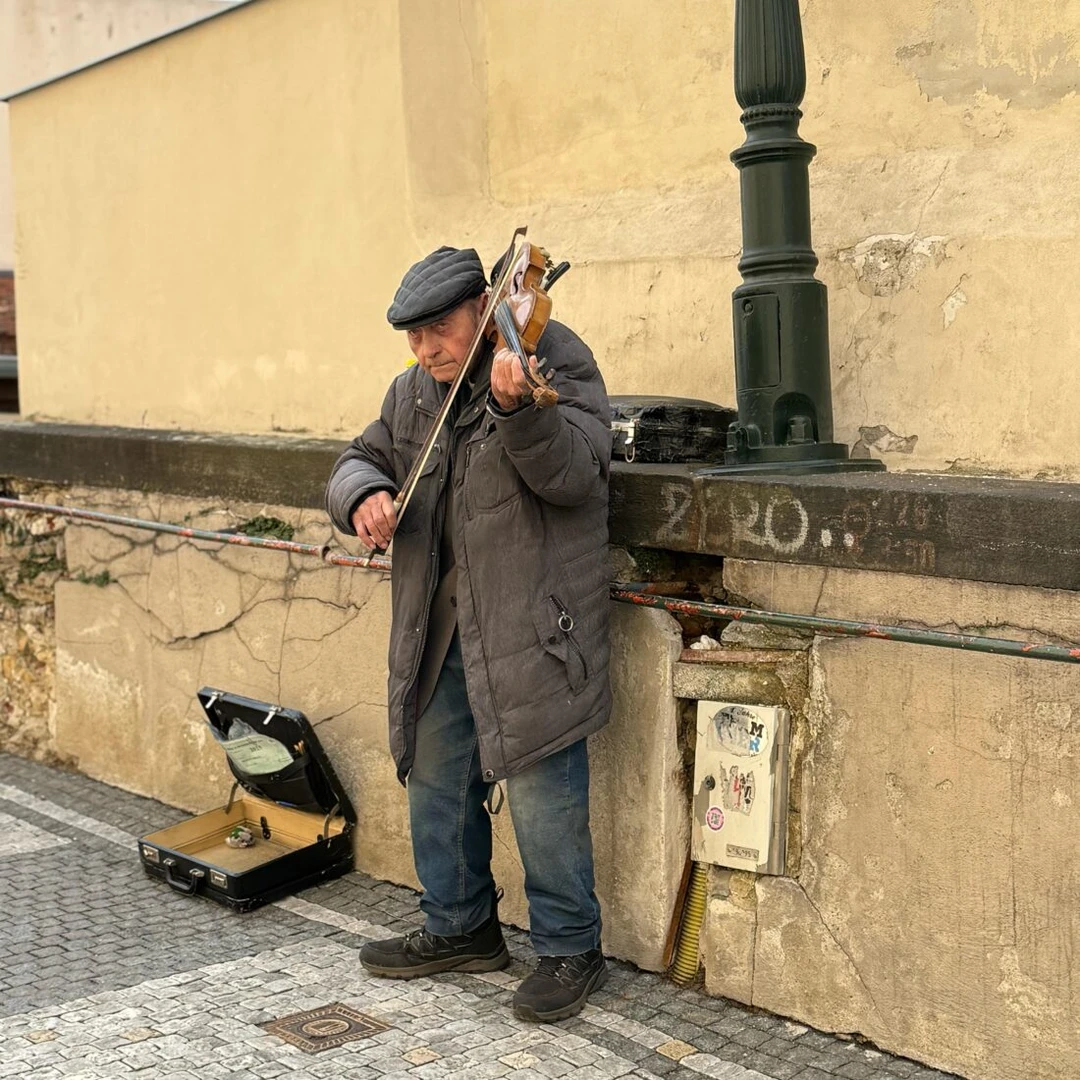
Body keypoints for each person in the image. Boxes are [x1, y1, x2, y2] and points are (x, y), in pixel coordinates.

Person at [325, 245, 612, 1023]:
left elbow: (579, 473)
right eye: (414, 338)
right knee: (438, 780)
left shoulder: (552, 355)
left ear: (483, 307)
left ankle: (570, 949)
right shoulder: (413, 392)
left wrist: (520, 414)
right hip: (440, 628)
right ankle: (461, 928)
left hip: (533, 628)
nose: (428, 351)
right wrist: (365, 496)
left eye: (440, 331)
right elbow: (356, 459)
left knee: (544, 798)